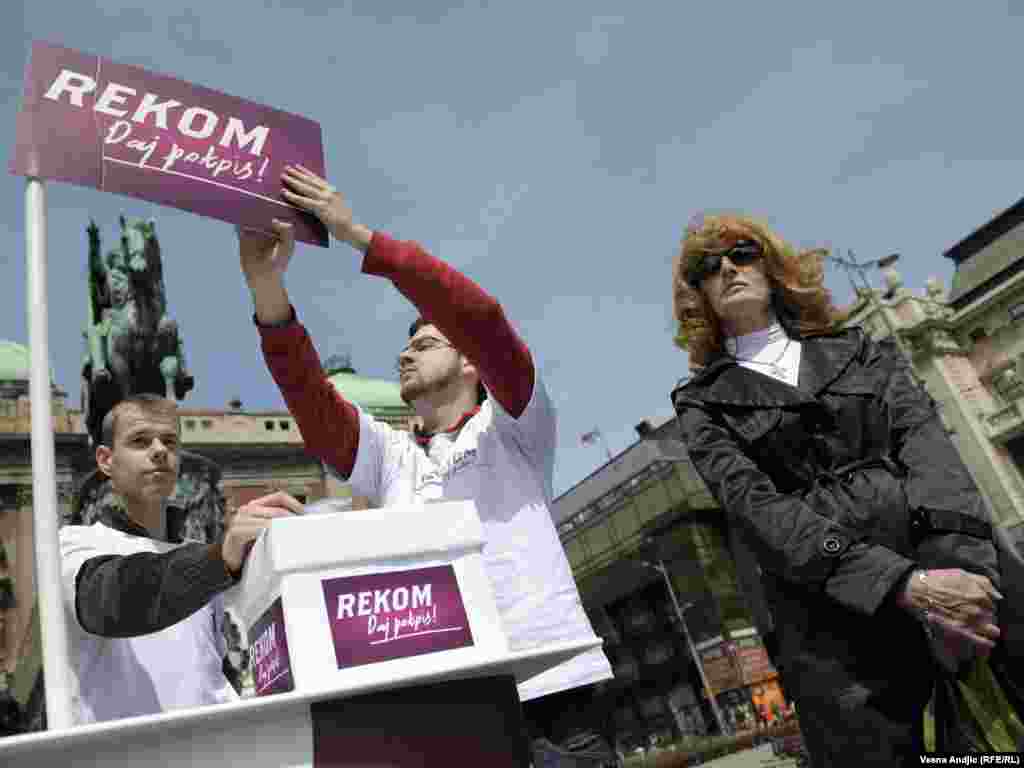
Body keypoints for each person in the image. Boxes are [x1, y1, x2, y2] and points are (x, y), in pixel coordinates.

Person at [238, 165, 612, 746]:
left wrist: (359, 235)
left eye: (426, 343)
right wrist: (266, 285)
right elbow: (310, 399)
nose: (406, 355)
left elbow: (481, 319)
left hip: (551, 685)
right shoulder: (391, 456)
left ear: (470, 364)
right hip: (444, 699)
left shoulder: (515, 424)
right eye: (406, 346)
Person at [669, 213, 1021, 764]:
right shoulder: (701, 403)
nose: (727, 269)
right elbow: (761, 514)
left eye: (741, 252)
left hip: (966, 580)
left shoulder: (861, 351)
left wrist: (964, 577)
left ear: (771, 263)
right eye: (706, 267)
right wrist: (905, 586)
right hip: (834, 628)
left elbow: (933, 457)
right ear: (699, 295)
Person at [60, 394, 300, 724]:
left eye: (170, 442)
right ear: (106, 460)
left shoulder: (196, 556)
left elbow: (212, 678)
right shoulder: (74, 545)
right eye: (140, 441)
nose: (160, 450)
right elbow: (113, 600)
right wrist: (219, 558)